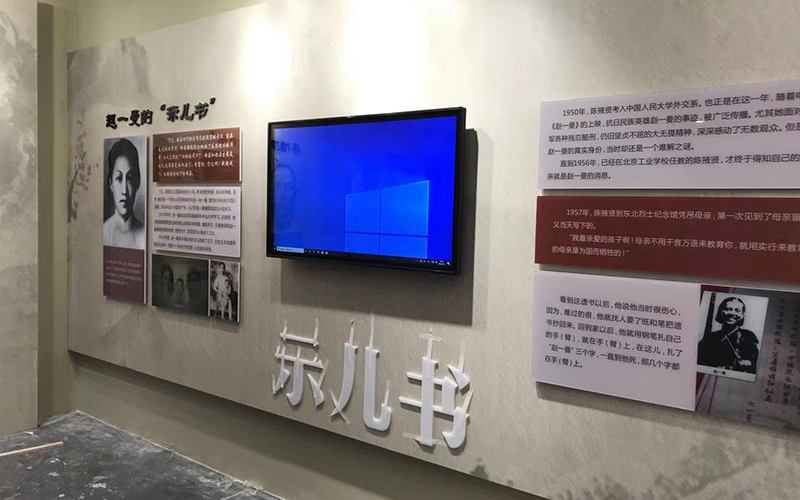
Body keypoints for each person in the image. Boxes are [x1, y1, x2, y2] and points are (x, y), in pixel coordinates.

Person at [698, 297, 759, 374]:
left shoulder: (749, 336)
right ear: (721, 311)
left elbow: (754, 363)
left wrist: (748, 363)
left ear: (743, 314)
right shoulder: (710, 338)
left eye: (737, 310)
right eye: (728, 309)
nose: (732, 313)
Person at [103, 138, 145, 249]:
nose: (124, 191)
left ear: (137, 182)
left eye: (130, 178)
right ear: (111, 183)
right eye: (119, 178)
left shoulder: (144, 233)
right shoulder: (104, 233)